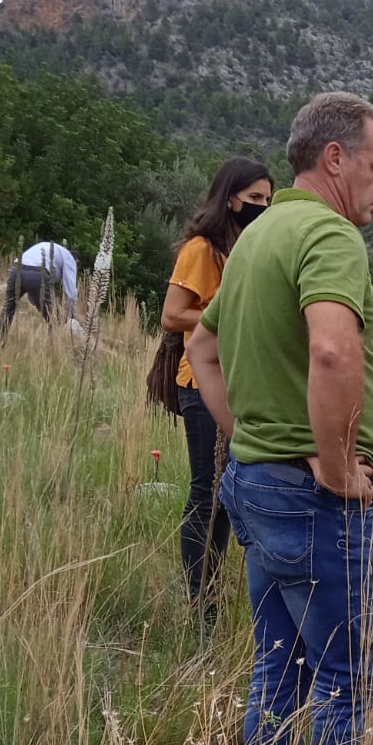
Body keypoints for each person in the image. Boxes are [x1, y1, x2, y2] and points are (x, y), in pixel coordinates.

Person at [186, 92, 373, 745]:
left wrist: (250, 435)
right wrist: (337, 465)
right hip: (316, 501)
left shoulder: (259, 236)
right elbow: (336, 355)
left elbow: (202, 348)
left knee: (278, 670)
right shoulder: (328, 234)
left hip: (257, 486)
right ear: (333, 159)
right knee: (344, 679)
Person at [155, 157, 274, 630]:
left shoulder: (248, 246)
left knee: (226, 491)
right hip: (200, 380)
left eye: (268, 200)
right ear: (230, 198)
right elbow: (172, 314)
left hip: (236, 380)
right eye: (254, 200)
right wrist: (223, 321)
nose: (262, 208)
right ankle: (199, 600)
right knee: (207, 490)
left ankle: (212, 590)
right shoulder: (203, 249)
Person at [0, 239, 79, 338]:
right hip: (37, 274)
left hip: (16, 269)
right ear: (76, 261)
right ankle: (53, 349)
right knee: (54, 318)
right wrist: (70, 314)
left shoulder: (49, 248)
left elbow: (33, 295)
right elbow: (71, 294)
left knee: (8, 309)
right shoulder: (70, 259)